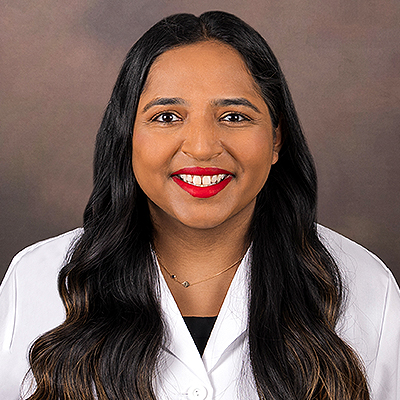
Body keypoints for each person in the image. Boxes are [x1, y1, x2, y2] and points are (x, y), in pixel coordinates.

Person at [0, 11, 399, 400]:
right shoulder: (35, 281)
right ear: (127, 135)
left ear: (277, 138)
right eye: (167, 117)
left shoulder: (367, 288)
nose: (203, 147)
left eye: (234, 116)